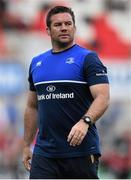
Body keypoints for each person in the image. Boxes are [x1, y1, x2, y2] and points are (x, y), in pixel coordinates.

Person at [22, 6, 110, 179]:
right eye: (58, 24)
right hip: (44, 154)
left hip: (80, 151)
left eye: (68, 23)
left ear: (74, 28)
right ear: (47, 30)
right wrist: (26, 145)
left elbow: (103, 97)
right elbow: (32, 106)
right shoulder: (37, 62)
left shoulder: (87, 58)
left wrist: (85, 122)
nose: (64, 27)